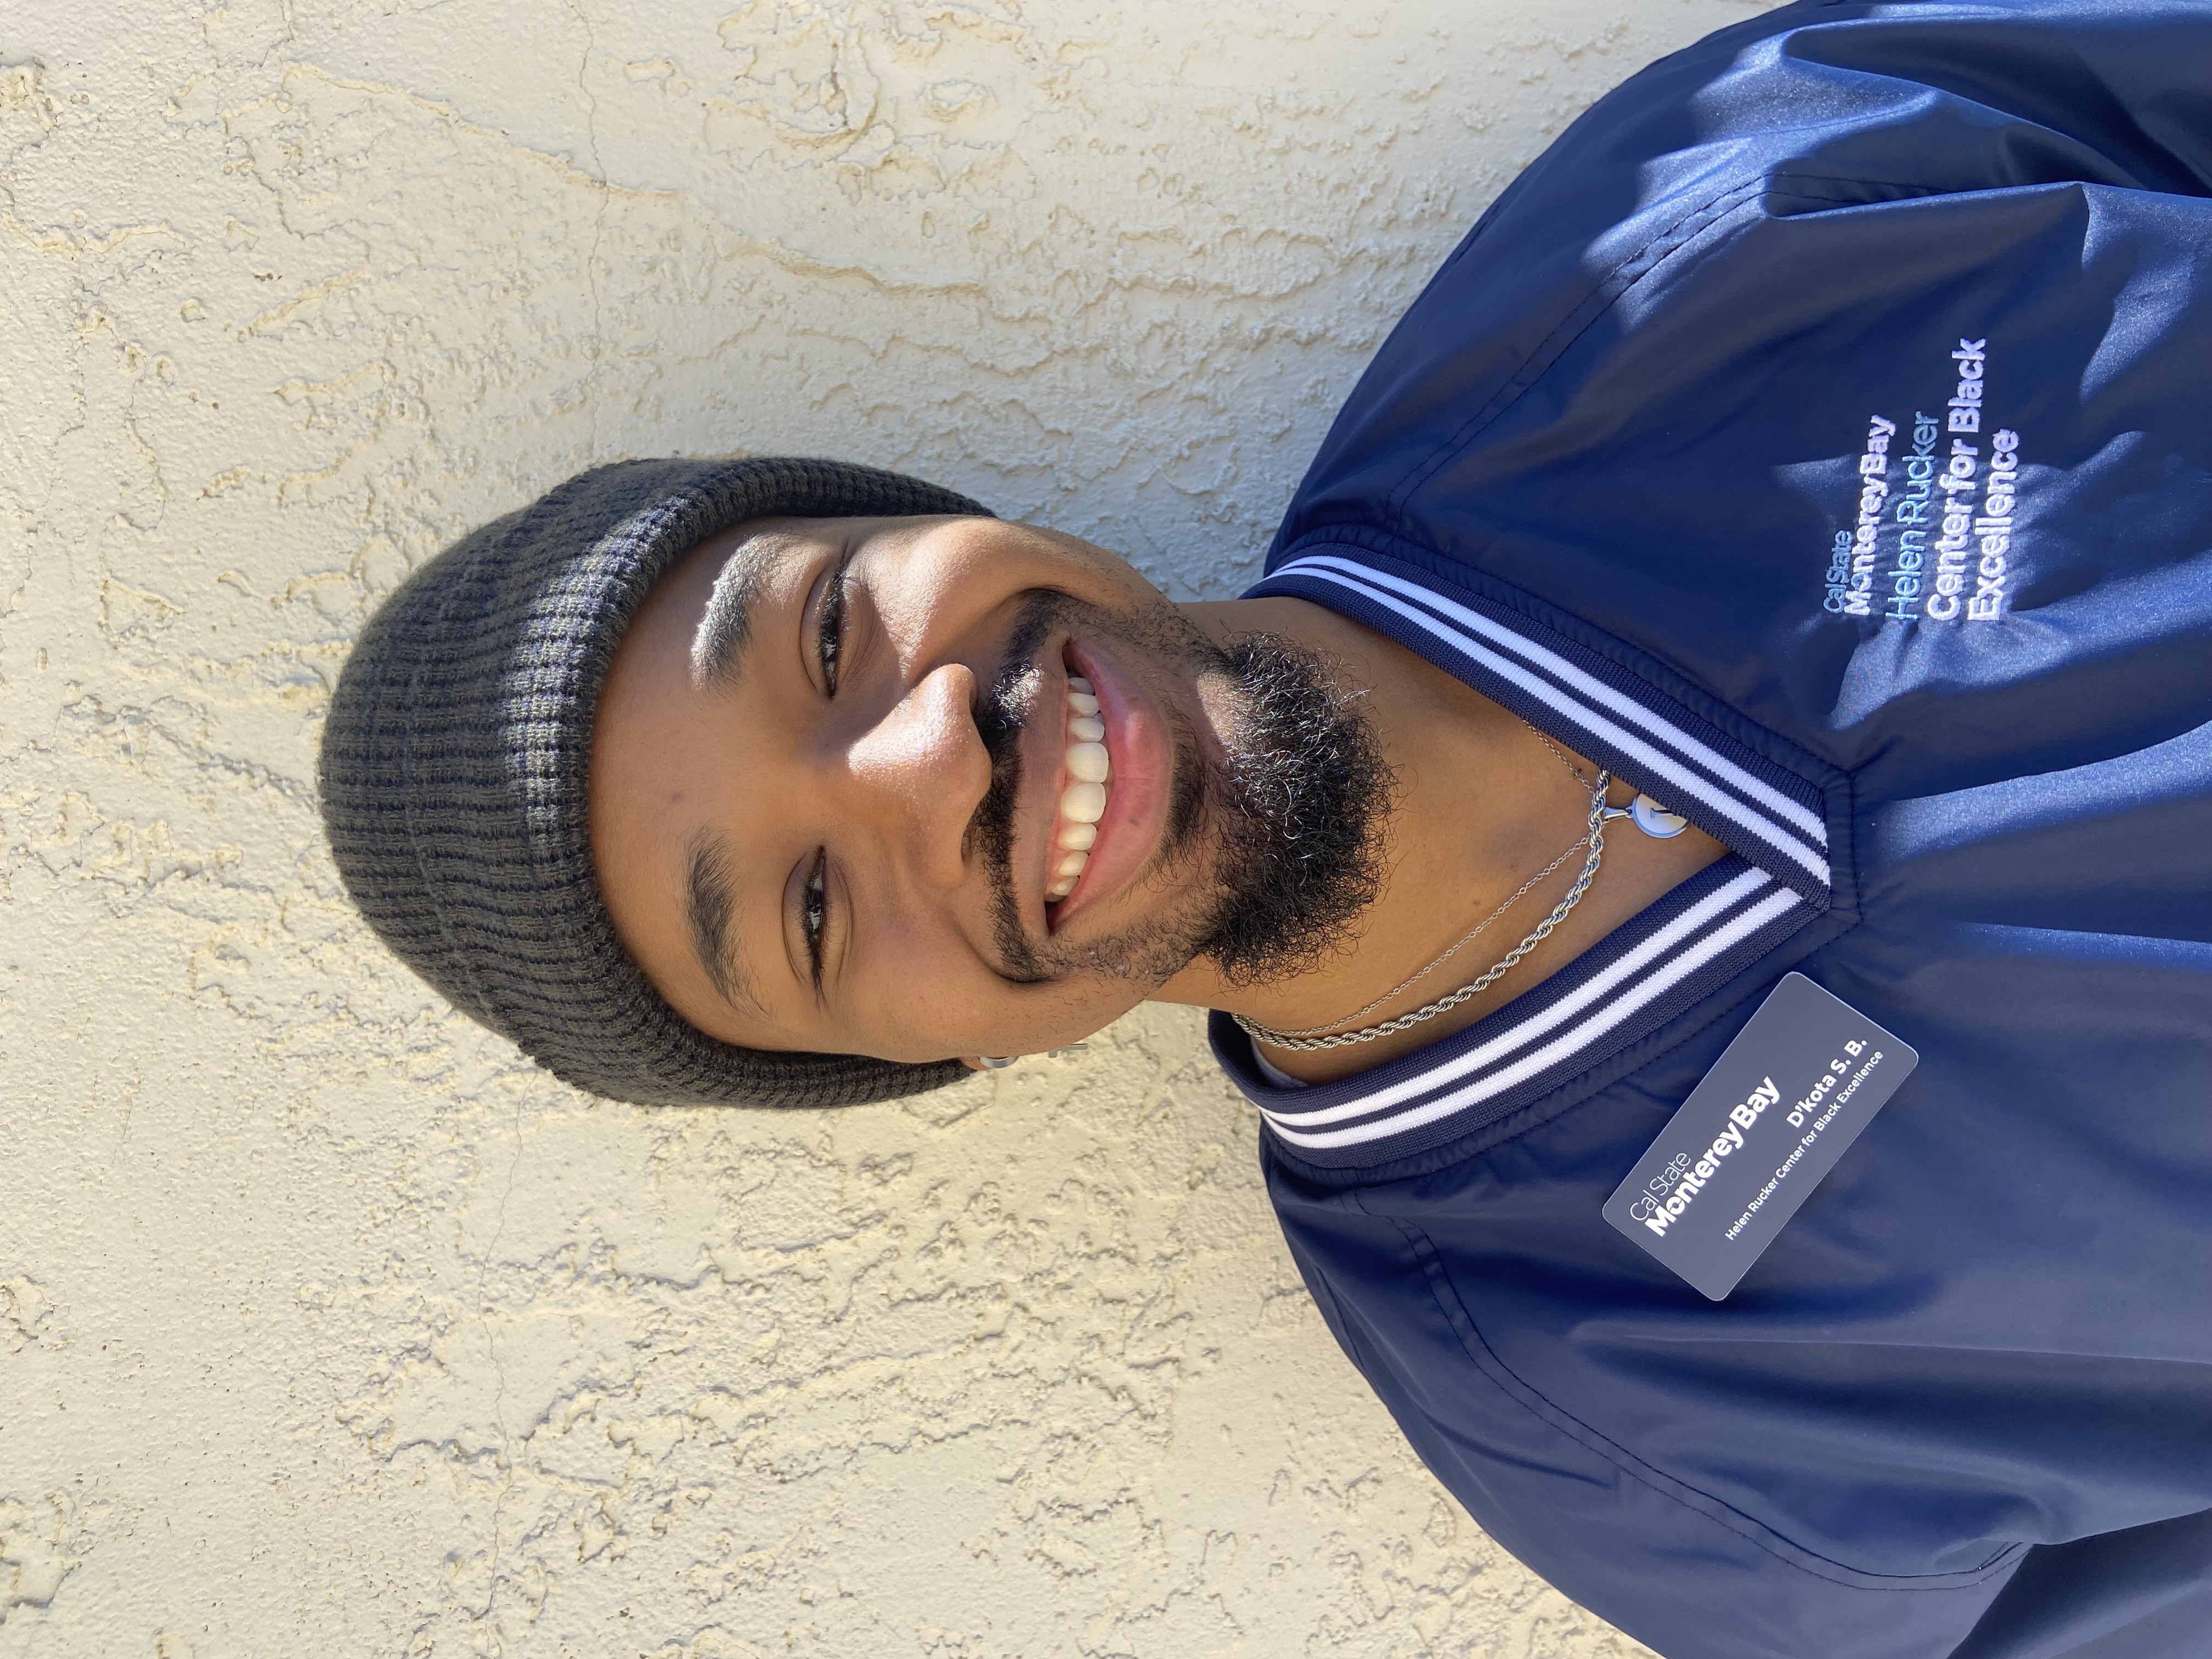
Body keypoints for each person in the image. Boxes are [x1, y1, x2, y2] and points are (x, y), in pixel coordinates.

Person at [317, 2, 2212, 1654]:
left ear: (917, 511)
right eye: (811, 912)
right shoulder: (1613, 1415)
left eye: (826, 635)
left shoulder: (1707, 229)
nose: (922, 760)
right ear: (916, 1060)